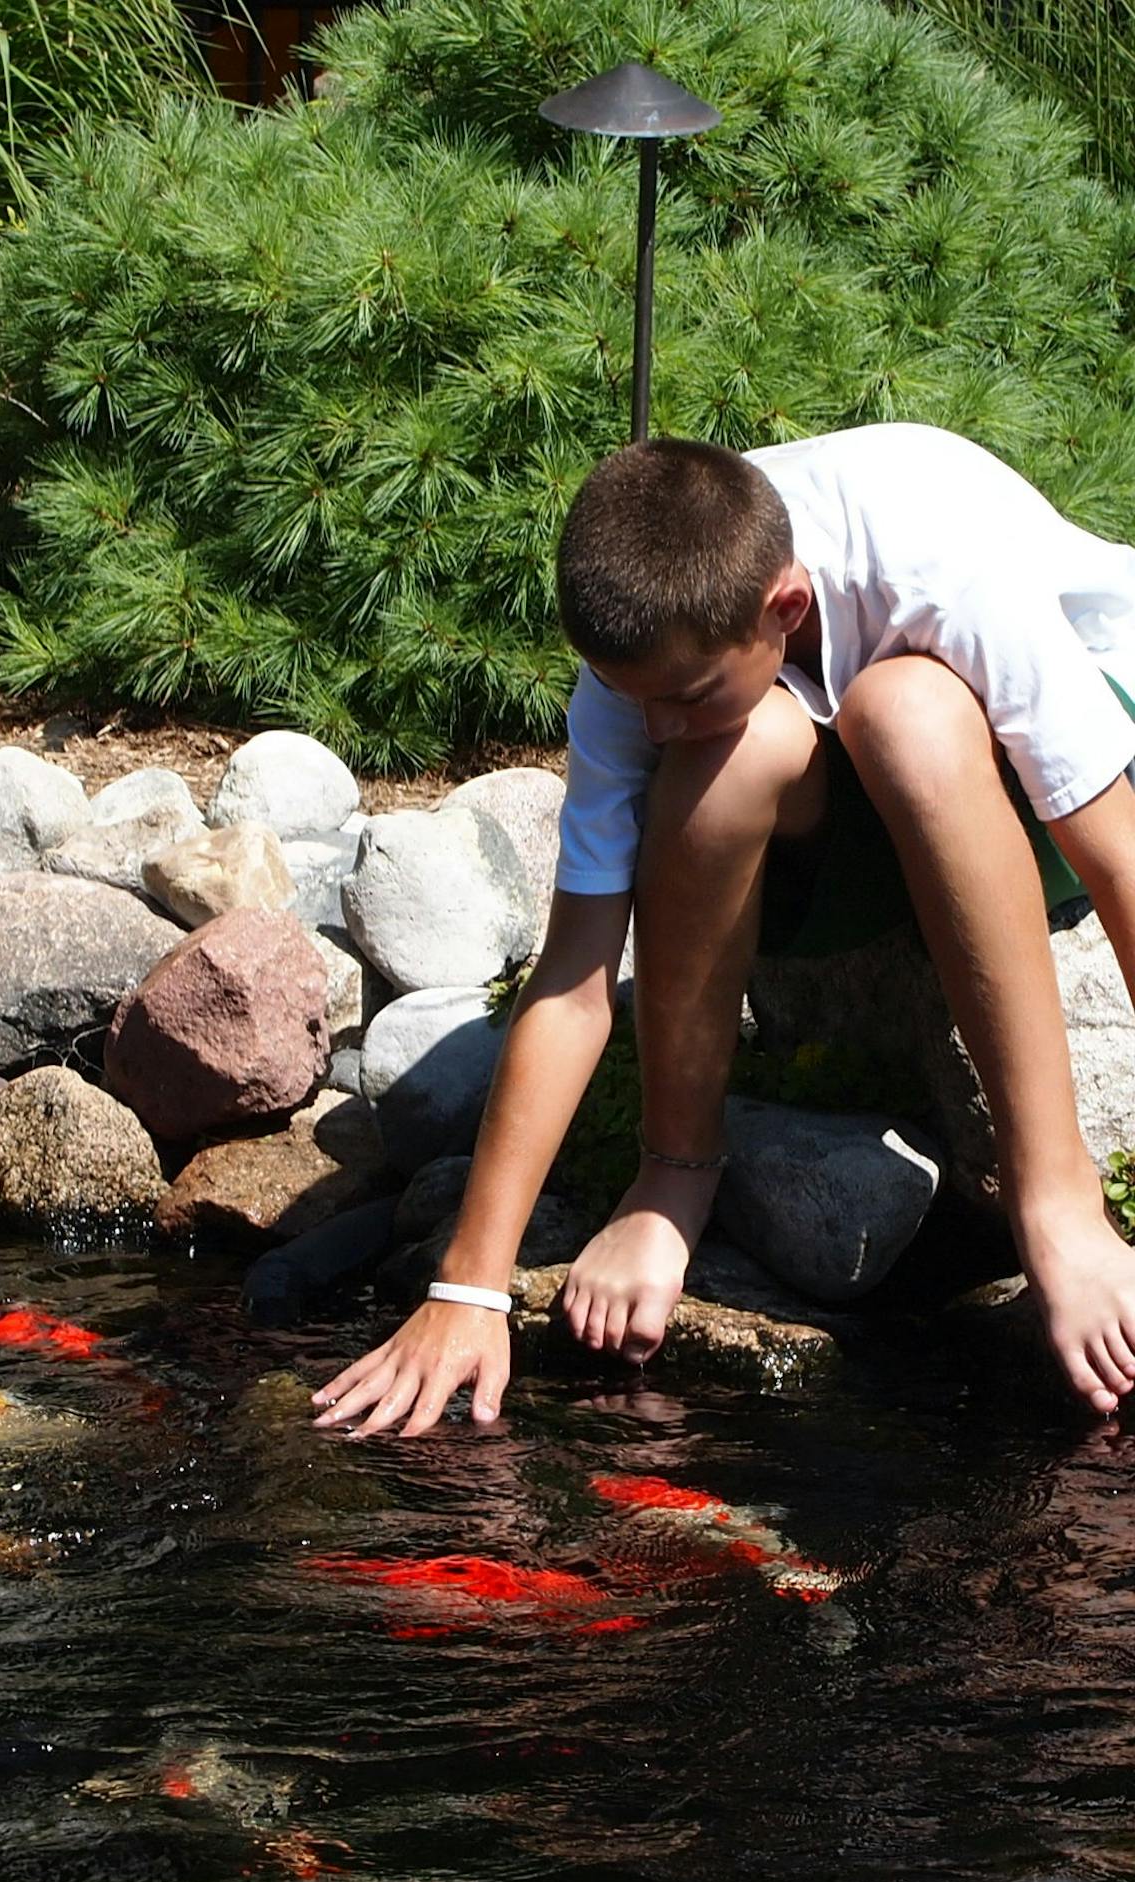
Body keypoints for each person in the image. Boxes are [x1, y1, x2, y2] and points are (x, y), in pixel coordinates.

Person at [313, 422, 1135, 1439]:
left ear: (784, 608)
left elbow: (1118, 857)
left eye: (683, 696)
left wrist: (1064, 1213)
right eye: (632, 700)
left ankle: (1053, 1195)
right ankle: (678, 1172)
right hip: (848, 823)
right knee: (723, 757)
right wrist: (469, 1287)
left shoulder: (934, 551)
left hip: (1059, 766)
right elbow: (572, 979)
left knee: (903, 708)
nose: (649, 730)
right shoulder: (655, 651)